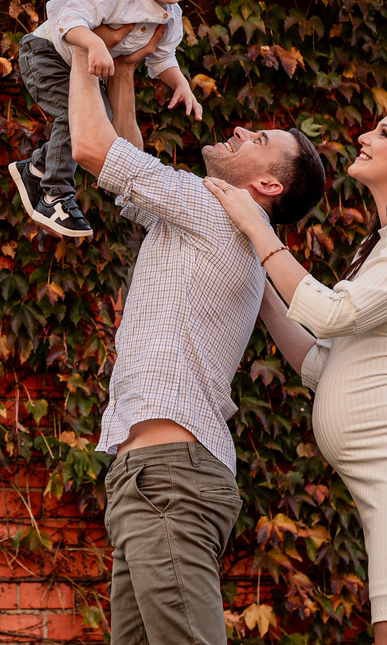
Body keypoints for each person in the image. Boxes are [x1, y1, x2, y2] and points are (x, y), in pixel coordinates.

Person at [63, 32, 326, 644]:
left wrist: (82, 42)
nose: (242, 132)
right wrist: (126, 70)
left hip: (168, 476)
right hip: (153, 476)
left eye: (259, 142)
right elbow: (133, 165)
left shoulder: (212, 209)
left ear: (267, 186)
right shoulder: (212, 221)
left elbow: (91, 146)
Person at [203, 99, 387, 645]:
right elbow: (321, 360)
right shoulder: (383, 244)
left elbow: (334, 311)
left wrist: (256, 228)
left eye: (382, 132)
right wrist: (259, 277)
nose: (364, 135)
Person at [9, 0, 205, 239]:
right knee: (77, 118)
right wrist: (94, 42)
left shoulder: (172, 18)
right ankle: (53, 193)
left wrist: (181, 83)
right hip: (46, 52)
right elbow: (69, 17)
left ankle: (37, 168)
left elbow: (162, 57)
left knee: (101, 117)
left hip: (78, 66)